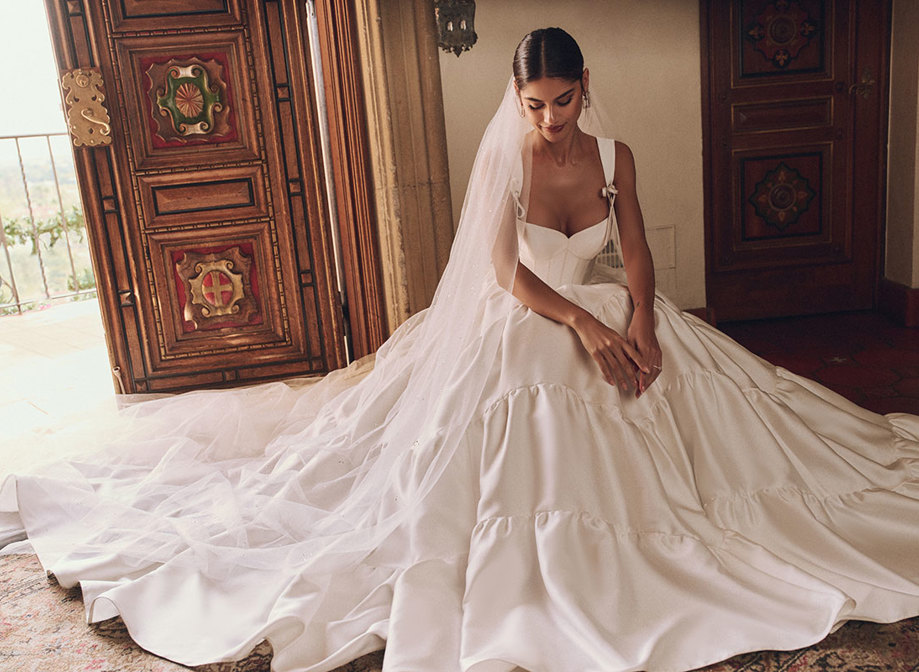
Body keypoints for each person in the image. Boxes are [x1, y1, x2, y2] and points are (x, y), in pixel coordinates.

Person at [2, 26, 919, 672]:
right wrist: (589, 325)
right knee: (540, 365)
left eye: (564, 101)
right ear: (514, 98)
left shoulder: (614, 155)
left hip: (609, 301)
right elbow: (506, 278)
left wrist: (639, 317)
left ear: (585, 85)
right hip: (531, 314)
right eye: (534, 103)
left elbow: (633, 245)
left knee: (687, 385)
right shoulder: (506, 161)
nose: (551, 119)